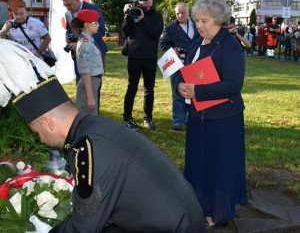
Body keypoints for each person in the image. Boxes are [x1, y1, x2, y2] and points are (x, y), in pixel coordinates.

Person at [0, 41, 207, 232]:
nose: (41, 139)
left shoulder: (86, 148)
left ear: (48, 123)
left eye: (37, 132)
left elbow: (84, 228)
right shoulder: (93, 125)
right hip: (180, 218)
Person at [178, 0, 248, 229]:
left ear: (218, 20)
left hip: (223, 120)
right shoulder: (197, 43)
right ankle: (198, 207)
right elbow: (187, 72)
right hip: (198, 117)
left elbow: (233, 85)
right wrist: (182, 86)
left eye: (204, 21)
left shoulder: (230, 46)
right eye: (197, 20)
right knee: (199, 165)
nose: (199, 25)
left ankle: (218, 213)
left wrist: (197, 90)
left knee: (219, 167)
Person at [122, 0, 163, 130]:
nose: (146, 0)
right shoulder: (132, 12)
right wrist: (127, 15)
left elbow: (156, 33)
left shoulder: (156, 15)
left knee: (149, 90)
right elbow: (126, 32)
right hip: (134, 56)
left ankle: (148, 118)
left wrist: (142, 19)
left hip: (150, 57)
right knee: (131, 88)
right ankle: (127, 118)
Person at [159, 2, 198, 131]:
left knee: (193, 91)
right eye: (178, 13)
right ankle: (177, 120)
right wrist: (172, 49)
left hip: (196, 63)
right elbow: (163, 43)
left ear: (188, 12)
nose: (180, 15)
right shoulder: (170, 27)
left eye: (183, 12)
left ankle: (190, 117)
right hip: (178, 64)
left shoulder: (197, 24)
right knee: (178, 92)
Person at [60, 0, 107, 84]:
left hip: (95, 50)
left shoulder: (92, 8)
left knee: (94, 83)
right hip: (78, 52)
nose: (67, 8)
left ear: (77, 0)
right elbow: (69, 29)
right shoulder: (68, 13)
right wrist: (68, 37)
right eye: (65, 5)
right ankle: (83, 99)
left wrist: (80, 42)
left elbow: (101, 30)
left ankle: (92, 99)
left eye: (69, 4)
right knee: (80, 81)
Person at [70, 9, 104, 115]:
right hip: (89, 83)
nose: (98, 25)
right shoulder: (86, 44)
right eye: (95, 22)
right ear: (87, 24)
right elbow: (86, 72)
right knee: (88, 119)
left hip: (91, 82)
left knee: (91, 119)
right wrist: (90, 97)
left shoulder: (88, 40)